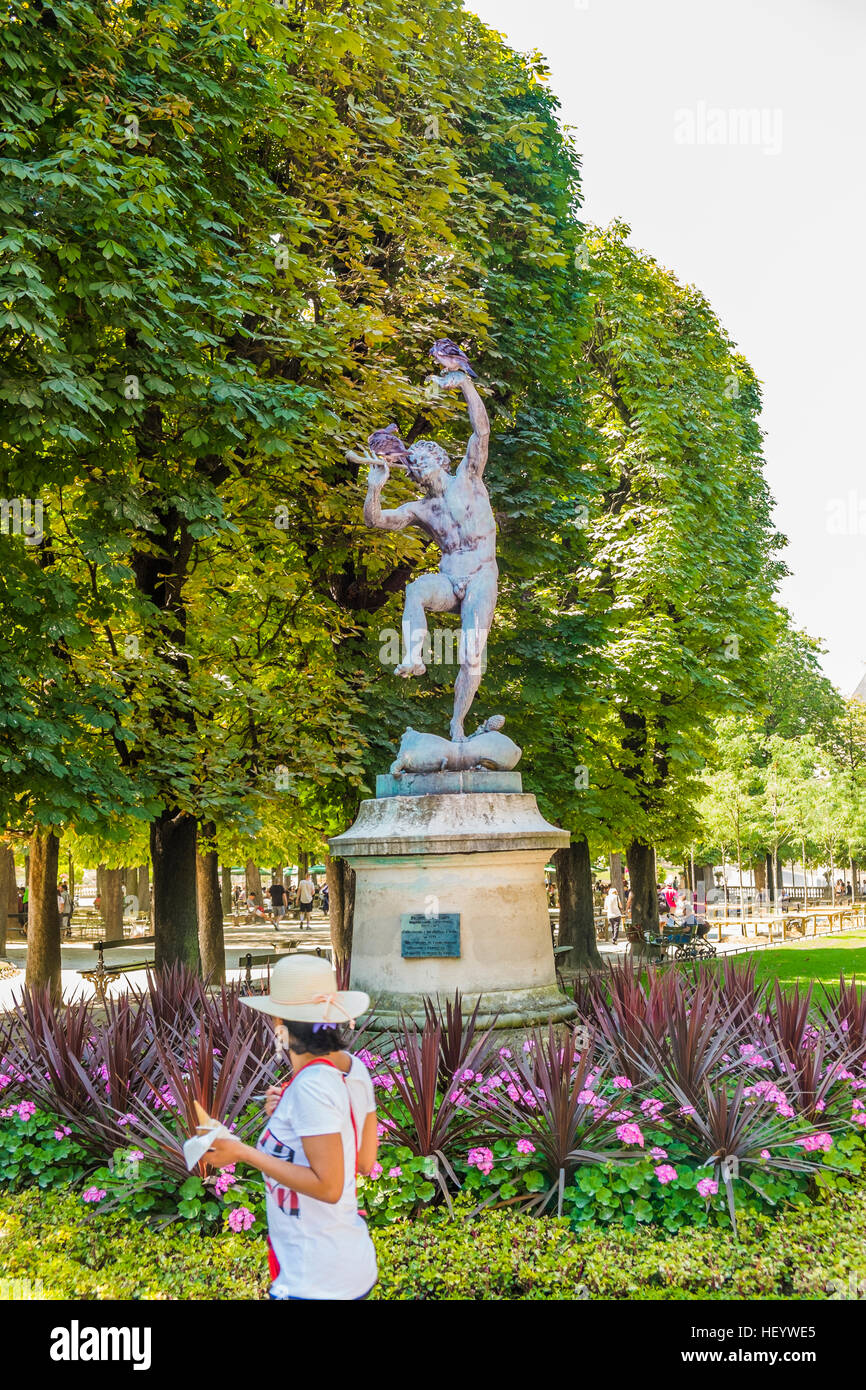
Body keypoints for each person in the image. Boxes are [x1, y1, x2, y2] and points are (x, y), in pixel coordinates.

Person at [206, 955, 378, 1301]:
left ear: (280, 1026)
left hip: (315, 1279)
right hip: (349, 1264)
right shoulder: (352, 1069)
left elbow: (329, 1187)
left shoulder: (309, 1088)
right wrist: (288, 1118)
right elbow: (362, 1162)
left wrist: (242, 1152)